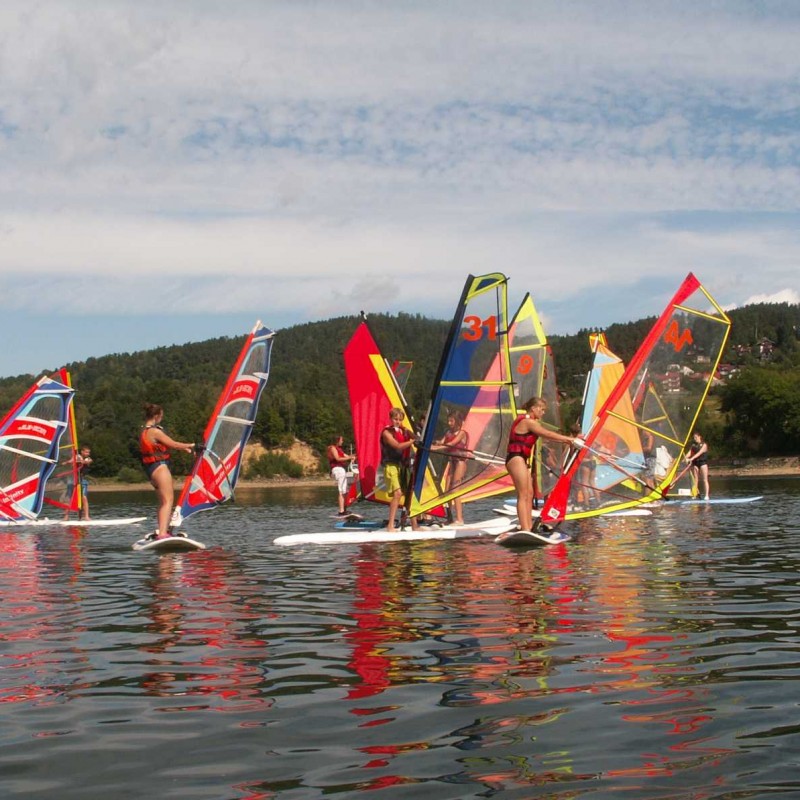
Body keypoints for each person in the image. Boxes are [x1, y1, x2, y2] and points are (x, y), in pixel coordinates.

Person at [507, 397, 582, 532]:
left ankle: (528, 526)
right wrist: (570, 439)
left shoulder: (532, 422)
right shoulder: (528, 422)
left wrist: (570, 440)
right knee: (523, 494)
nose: (543, 413)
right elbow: (547, 434)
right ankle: (525, 529)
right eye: (541, 409)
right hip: (515, 458)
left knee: (529, 494)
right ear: (533, 408)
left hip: (522, 460)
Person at [140, 403, 195, 539]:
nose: (162, 419)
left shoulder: (144, 430)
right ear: (156, 416)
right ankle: (163, 533)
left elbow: (165, 445)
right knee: (168, 500)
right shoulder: (155, 431)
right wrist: (192, 445)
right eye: (161, 416)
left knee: (163, 501)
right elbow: (174, 444)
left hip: (151, 468)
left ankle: (162, 531)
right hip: (160, 467)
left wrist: (185, 449)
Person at [380, 408, 420, 532]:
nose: (397, 422)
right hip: (391, 466)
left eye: (400, 420)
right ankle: (390, 526)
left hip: (403, 466)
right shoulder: (386, 432)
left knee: (409, 495)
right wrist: (411, 441)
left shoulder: (403, 431)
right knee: (397, 494)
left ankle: (415, 526)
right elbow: (397, 446)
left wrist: (406, 429)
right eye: (395, 419)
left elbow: (417, 438)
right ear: (390, 419)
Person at [432, 410, 469, 525]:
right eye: (448, 420)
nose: (449, 423)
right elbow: (442, 442)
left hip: (460, 463)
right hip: (452, 462)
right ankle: (450, 518)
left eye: (451, 421)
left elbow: (452, 444)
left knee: (455, 490)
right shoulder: (448, 432)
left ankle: (460, 519)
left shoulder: (462, 433)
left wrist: (436, 449)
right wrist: (432, 443)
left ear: (457, 421)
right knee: (447, 491)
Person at [327, 435, 356, 515]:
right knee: (341, 491)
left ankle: (344, 510)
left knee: (345, 490)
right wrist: (350, 458)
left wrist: (354, 456)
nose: (342, 441)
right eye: (341, 440)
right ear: (337, 440)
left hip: (341, 470)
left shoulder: (339, 449)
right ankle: (341, 511)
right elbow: (338, 458)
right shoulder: (332, 448)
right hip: (337, 469)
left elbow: (346, 456)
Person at [64, 445, 93, 520]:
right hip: (73, 480)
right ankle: (66, 516)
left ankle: (86, 516)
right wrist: (67, 462)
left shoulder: (88, 459)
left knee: (84, 498)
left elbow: (88, 462)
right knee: (69, 498)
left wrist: (80, 461)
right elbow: (71, 461)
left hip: (82, 480)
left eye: (88, 452)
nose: (88, 454)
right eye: (86, 452)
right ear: (82, 452)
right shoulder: (76, 456)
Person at [685, 431, 710, 500]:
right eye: (694, 438)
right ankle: (695, 494)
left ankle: (706, 495)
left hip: (703, 463)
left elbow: (699, 453)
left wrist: (691, 459)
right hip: (696, 463)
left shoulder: (704, 445)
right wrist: (685, 458)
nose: (695, 439)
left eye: (696, 437)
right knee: (695, 480)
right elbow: (689, 453)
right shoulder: (693, 446)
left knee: (705, 479)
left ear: (699, 437)